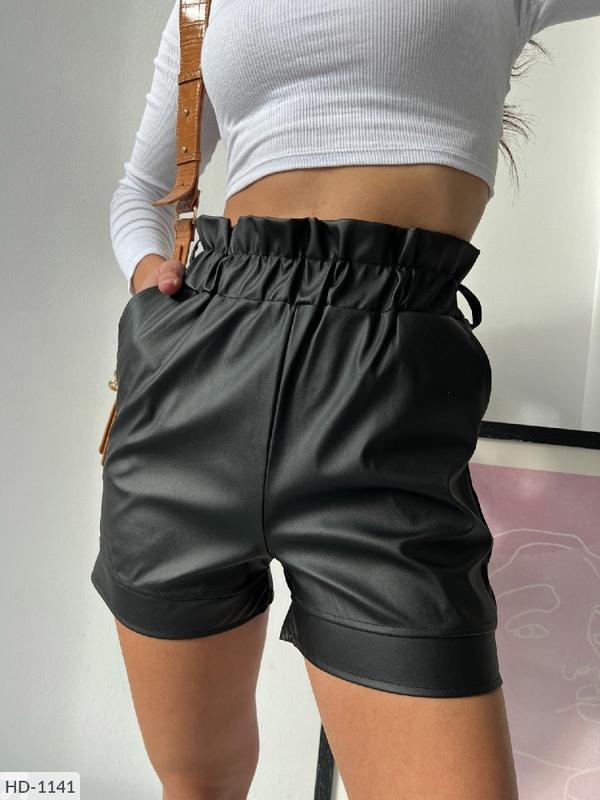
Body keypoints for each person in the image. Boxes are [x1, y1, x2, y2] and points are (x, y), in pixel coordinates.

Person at [90, 2, 600, 798]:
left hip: (389, 401)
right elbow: (140, 192)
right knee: (198, 782)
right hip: (194, 380)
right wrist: (149, 283)